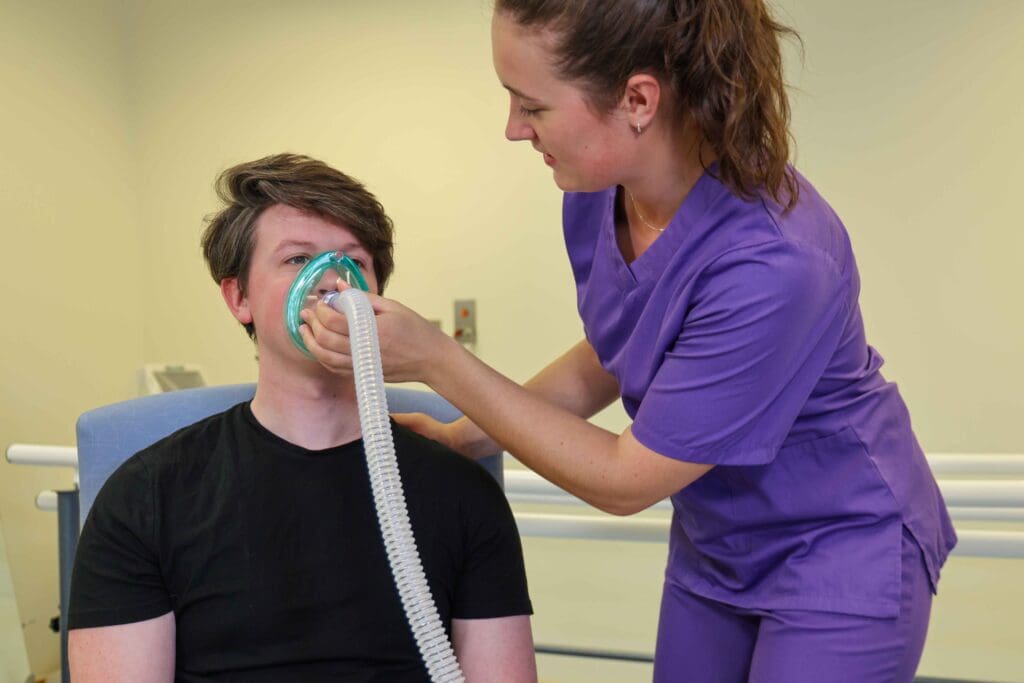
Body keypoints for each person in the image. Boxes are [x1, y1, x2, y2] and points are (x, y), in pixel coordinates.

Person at [301, 2, 958, 681]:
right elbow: (617, 352)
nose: (512, 129)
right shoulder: (597, 191)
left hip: (840, 543)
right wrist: (463, 437)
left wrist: (435, 359)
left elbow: (624, 479)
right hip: (718, 546)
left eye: (532, 106)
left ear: (638, 100)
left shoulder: (777, 262)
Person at [67, 153, 537, 683]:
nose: (332, 282)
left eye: (353, 262)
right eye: (296, 259)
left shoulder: (461, 494)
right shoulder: (146, 498)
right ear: (238, 296)